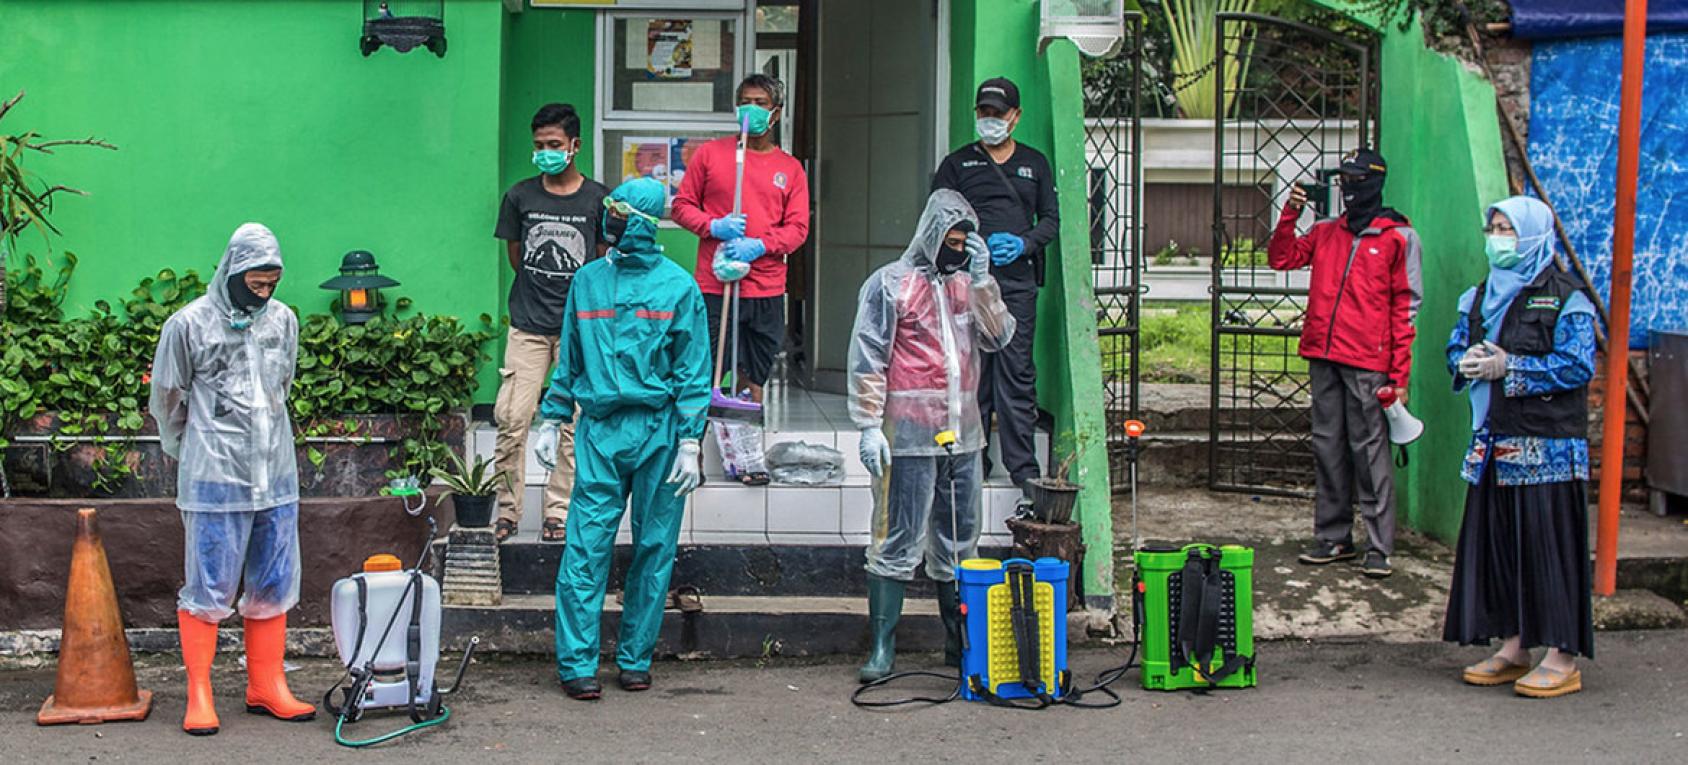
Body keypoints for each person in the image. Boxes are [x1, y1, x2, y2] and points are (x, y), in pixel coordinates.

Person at [534, 177, 711, 700]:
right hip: (601, 429)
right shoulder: (587, 282)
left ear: (637, 220)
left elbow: (693, 370)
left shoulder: (678, 288)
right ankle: (577, 665)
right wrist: (552, 415)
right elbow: (571, 356)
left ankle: (635, 658)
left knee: (655, 547)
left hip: (658, 429)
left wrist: (690, 440)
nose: (605, 218)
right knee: (585, 548)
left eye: (614, 210)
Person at [149, 223, 314, 735]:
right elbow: (168, 398)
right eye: (255, 284)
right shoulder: (189, 324)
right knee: (208, 585)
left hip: (275, 474)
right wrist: (191, 449)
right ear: (232, 272)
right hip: (215, 475)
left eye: (272, 284)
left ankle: (267, 684)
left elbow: (280, 386)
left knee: (274, 581)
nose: (264, 294)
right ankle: (199, 693)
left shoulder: (282, 321)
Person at [849, 189, 1016, 682]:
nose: (957, 248)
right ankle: (882, 646)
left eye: (965, 241)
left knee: (961, 540)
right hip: (908, 434)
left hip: (963, 435)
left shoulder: (968, 287)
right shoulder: (890, 285)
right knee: (896, 536)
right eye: (950, 238)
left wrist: (985, 282)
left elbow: (999, 336)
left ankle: (958, 641)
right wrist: (867, 424)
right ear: (930, 234)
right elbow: (868, 356)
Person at [1443, 195, 1596, 699]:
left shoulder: (1564, 296)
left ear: (1532, 234)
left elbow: (1577, 366)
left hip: (1548, 448)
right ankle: (1513, 646)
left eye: (1508, 228)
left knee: (1548, 551)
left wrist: (1513, 368)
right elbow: (1455, 343)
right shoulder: (1482, 294)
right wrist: (1464, 361)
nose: (1498, 237)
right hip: (1493, 446)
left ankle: (1561, 656)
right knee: (1500, 548)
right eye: (1493, 227)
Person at [1268, 148, 1422, 578]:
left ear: (1373, 182)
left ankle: (1379, 545)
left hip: (1368, 362)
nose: (1348, 190)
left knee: (1370, 451)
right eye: (1343, 182)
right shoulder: (1325, 232)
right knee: (1327, 447)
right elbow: (1281, 258)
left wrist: (1399, 375)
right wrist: (1289, 213)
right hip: (1323, 353)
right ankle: (1334, 537)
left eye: (1355, 181)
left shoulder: (1397, 237)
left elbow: (1405, 309)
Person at [670, 73, 810, 485]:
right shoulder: (711, 156)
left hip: (764, 286)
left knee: (754, 373)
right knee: (705, 368)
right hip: (715, 284)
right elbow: (681, 207)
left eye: (760, 102)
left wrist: (759, 245)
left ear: (776, 112)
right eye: (744, 100)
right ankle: (689, 450)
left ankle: (747, 457)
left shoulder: (790, 169)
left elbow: (798, 229)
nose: (750, 108)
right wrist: (715, 227)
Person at [931, 77, 1058, 507]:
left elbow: (1051, 221)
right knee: (971, 373)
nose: (990, 120)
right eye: (983, 113)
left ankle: (1023, 469)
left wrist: (1024, 244)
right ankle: (974, 461)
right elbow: (937, 218)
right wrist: (965, 246)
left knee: (1016, 373)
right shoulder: (958, 164)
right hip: (967, 283)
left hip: (1016, 283)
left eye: (998, 114)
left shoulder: (1035, 164)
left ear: (1015, 117)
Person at [492, 103, 611, 544]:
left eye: (554, 145)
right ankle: (507, 512)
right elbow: (517, 257)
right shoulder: (520, 196)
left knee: (572, 425)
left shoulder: (598, 199)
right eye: (539, 146)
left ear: (575, 146)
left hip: (577, 332)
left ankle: (557, 514)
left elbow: (601, 262)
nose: (545, 152)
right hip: (527, 326)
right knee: (511, 418)